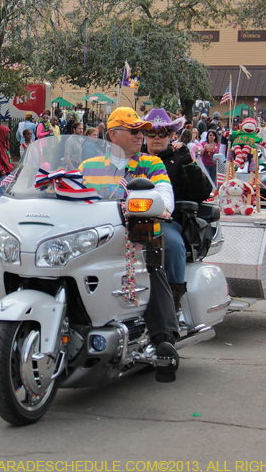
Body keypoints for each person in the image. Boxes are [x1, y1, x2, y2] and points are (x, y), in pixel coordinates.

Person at [79, 107, 179, 383]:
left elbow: (164, 194)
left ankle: (164, 340)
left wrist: (157, 205)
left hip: (136, 235)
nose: (141, 136)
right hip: (95, 237)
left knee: (150, 264)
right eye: (135, 131)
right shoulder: (89, 166)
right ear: (114, 134)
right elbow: (68, 194)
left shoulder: (151, 164)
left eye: (143, 131)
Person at [143, 108, 212, 319]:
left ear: (171, 135)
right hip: (127, 218)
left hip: (165, 219)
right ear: (144, 135)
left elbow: (202, 192)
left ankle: (172, 302)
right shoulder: (133, 158)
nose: (156, 138)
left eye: (162, 133)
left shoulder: (177, 159)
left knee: (170, 242)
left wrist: (190, 164)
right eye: (151, 133)